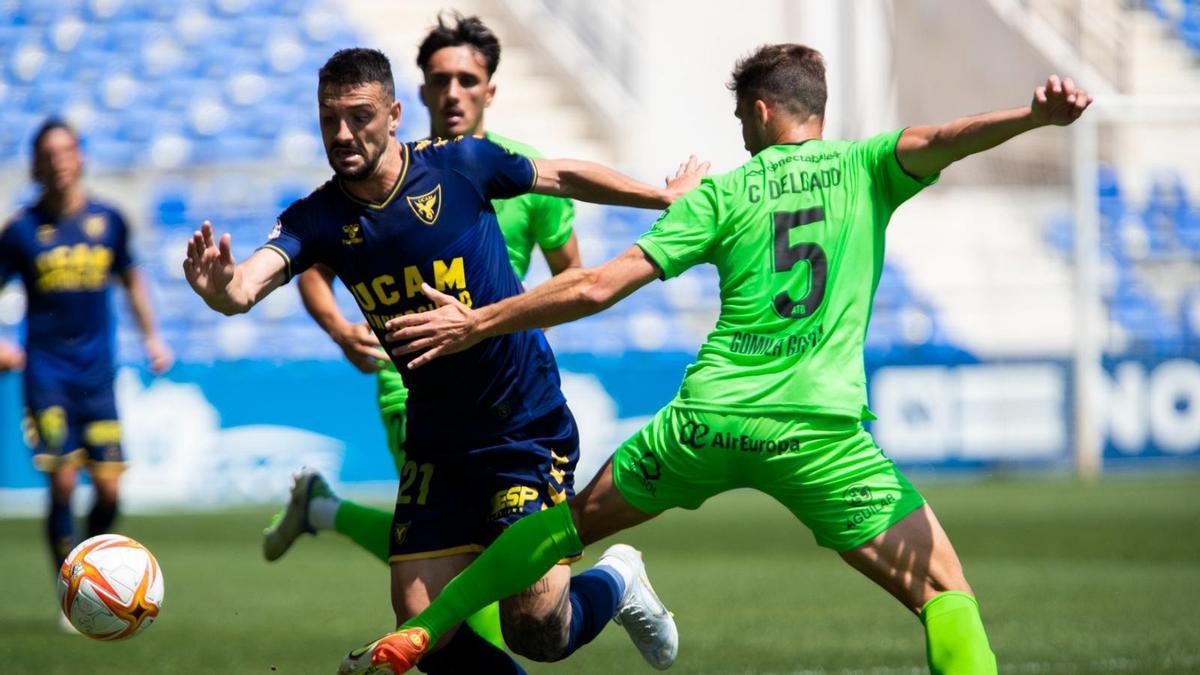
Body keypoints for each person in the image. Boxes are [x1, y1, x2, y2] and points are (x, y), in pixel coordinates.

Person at [351, 45, 1095, 674]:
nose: (741, 134)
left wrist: (480, 321)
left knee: (568, 524)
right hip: (817, 435)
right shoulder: (869, 164)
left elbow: (599, 284)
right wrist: (1033, 117)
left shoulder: (722, 193)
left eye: (743, 117)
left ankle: (422, 627)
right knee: (944, 591)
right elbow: (951, 136)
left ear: (764, 111)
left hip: (704, 425)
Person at [183, 48, 704, 673]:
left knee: (534, 626)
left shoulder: (459, 165)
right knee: (422, 621)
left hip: (521, 425)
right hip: (436, 438)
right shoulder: (316, 217)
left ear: (395, 113)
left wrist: (661, 194)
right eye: (330, 118)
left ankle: (617, 580)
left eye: (360, 116)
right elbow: (244, 288)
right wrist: (220, 289)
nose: (344, 134)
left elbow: (560, 176)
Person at [261, 14, 581, 654]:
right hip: (408, 387)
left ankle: (323, 511)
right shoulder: (370, 182)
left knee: (479, 574)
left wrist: (494, 323)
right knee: (443, 574)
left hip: (500, 379)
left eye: (469, 80)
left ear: (491, 89)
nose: (454, 93)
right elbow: (312, 266)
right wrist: (339, 328)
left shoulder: (512, 171)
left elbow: (570, 279)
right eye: (441, 80)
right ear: (418, 96)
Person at [0, 119, 174, 630]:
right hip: (47, 374)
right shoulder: (20, 231)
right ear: (36, 163)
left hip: (98, 376)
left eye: (66, 150)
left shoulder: (109, 221)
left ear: (80, 157)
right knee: (61, 482)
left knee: (110, 490)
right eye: (47, 153)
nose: (58, 160)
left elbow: (132, 281)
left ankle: (88, 571)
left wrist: (153, 337)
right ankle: (71, 591)